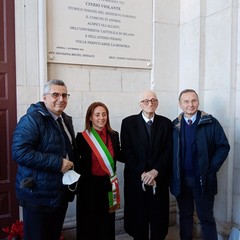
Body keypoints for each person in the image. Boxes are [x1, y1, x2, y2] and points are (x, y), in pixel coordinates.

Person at [12, 79, 77, 240]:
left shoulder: (66, 119)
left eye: (64, 95)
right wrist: (58, 163)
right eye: (55, 94)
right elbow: (19, 152)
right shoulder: (32, 119)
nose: (61, 99)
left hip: (58, 194)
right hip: (38, 195)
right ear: (44, 97)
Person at [170, 89, 230, 240]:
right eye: (186, 101)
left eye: (194, 100)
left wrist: (211, 168)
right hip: (182, 181)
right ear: (180, 104)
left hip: (204, 180)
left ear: (198, 101)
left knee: (206, 218)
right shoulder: (174, 126)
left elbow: (223, 146)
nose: (191, 105)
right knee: (185, 216)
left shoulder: (210, 122)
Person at [120, 90, 172, 240]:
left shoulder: (166, 123)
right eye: (146, 101)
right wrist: (142, 173)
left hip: (159, 178)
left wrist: (155, 171)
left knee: (159, 220)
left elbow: (169, 151)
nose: (150, 103)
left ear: (157, 103)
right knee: (138, 220)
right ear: (140, 104)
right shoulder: (128, 123)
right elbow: (127, 152)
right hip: (137, 178)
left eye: (153, 100)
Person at [75, 102, 121, 240]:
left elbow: (119, 155)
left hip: (108, 186)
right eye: (97, 115)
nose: (101, 118)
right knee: (89, 225)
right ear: (90, 117)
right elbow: (78, 165)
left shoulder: (114, 135)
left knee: (107, 224)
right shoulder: (82, 138)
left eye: (104, 114)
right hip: (88, 188)